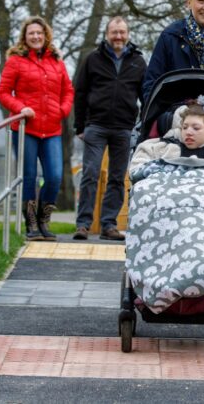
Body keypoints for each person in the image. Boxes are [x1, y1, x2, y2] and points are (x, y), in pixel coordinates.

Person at [126, 103, 204, 314]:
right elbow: (137, 172)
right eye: (185, 127)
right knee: (146, 197)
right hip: (169, 208)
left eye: (195, 128)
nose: (188, 132)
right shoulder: (159, 147)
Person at [0, 16, 74, 241]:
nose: (36, 36)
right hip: (25, 129)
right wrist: (21, 108)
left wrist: (63, 109)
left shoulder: (57, 61)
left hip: (51, 129)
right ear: (25, 36)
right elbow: (3, 92)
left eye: (39, 33)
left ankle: (44, 220)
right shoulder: (16, 61)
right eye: (31, 33)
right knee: (29, 177)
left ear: (45, 35)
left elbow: (68, 90)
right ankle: (31, 224)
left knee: (54, 176)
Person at [72, 16, 147, 241]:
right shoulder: (93, 59)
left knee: (117, 178)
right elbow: (81, 92)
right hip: (95, 125)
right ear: (107, 34)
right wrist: (79, 125)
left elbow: (146, 96)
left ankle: (109, 224)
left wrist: (141, 125)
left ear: (128, 34)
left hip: (124, 127)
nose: (118, 36)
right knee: (90, 174)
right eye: (114, 32)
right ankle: (83, 224)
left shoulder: (139, 61)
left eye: (122, 32)